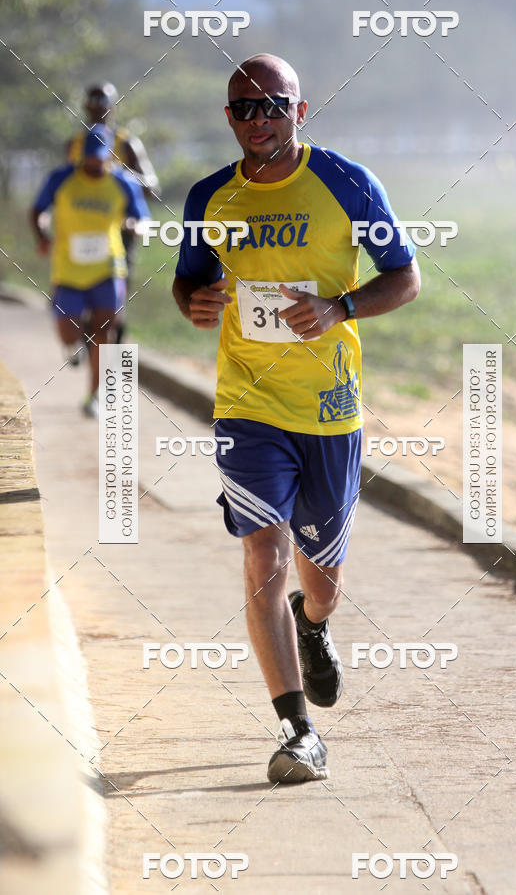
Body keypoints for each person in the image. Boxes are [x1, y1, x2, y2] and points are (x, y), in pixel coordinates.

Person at [172, 54, 420, 783]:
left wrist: (340, 307)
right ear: (229, 119)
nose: (259, 121)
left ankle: (312, 625)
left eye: (273, 106)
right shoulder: (209, 197)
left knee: (321, 582)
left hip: (330, 409)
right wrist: (195, 304)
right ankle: (296, 730)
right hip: (247, 404)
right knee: (263, 554)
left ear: (300, 112)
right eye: (244, 109)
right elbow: (190, 284)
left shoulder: (347, 183)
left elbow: (405, 278)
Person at [31, 124, 149, 417]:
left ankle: (94, 396)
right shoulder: (61, 179)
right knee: (67, 332)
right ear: (82, 156)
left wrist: (135, 226)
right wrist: (42, 235)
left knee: (105, 332)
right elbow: (38, 210)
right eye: (90, 158)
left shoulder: (124, 183)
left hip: (108, 267)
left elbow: (142, 217)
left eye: (100, 158)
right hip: (68, 269)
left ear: (109, 155)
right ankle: (75, 345)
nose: (95, 164)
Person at [66, 82, 161, 342]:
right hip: (80, 231)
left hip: (119, 232)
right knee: (82, 295)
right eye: (93, 104)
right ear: (85, 107)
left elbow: (152, 186)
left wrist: (119, 174)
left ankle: (115, 371)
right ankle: (87, 345)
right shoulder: (74, 144)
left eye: (104, 105)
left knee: (115, 305)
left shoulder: (127, 143)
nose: (99, 110)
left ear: (113, 108)